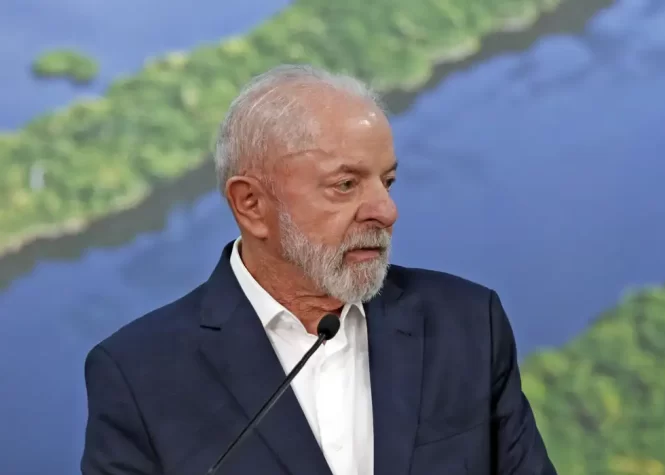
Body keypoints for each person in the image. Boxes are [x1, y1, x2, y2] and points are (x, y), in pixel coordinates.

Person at [81, 64, 557, 475]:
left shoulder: (467, 324)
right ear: (251, 205)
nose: (386, 211)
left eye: (388, 181)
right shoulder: (139, 375)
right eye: (346, 185)